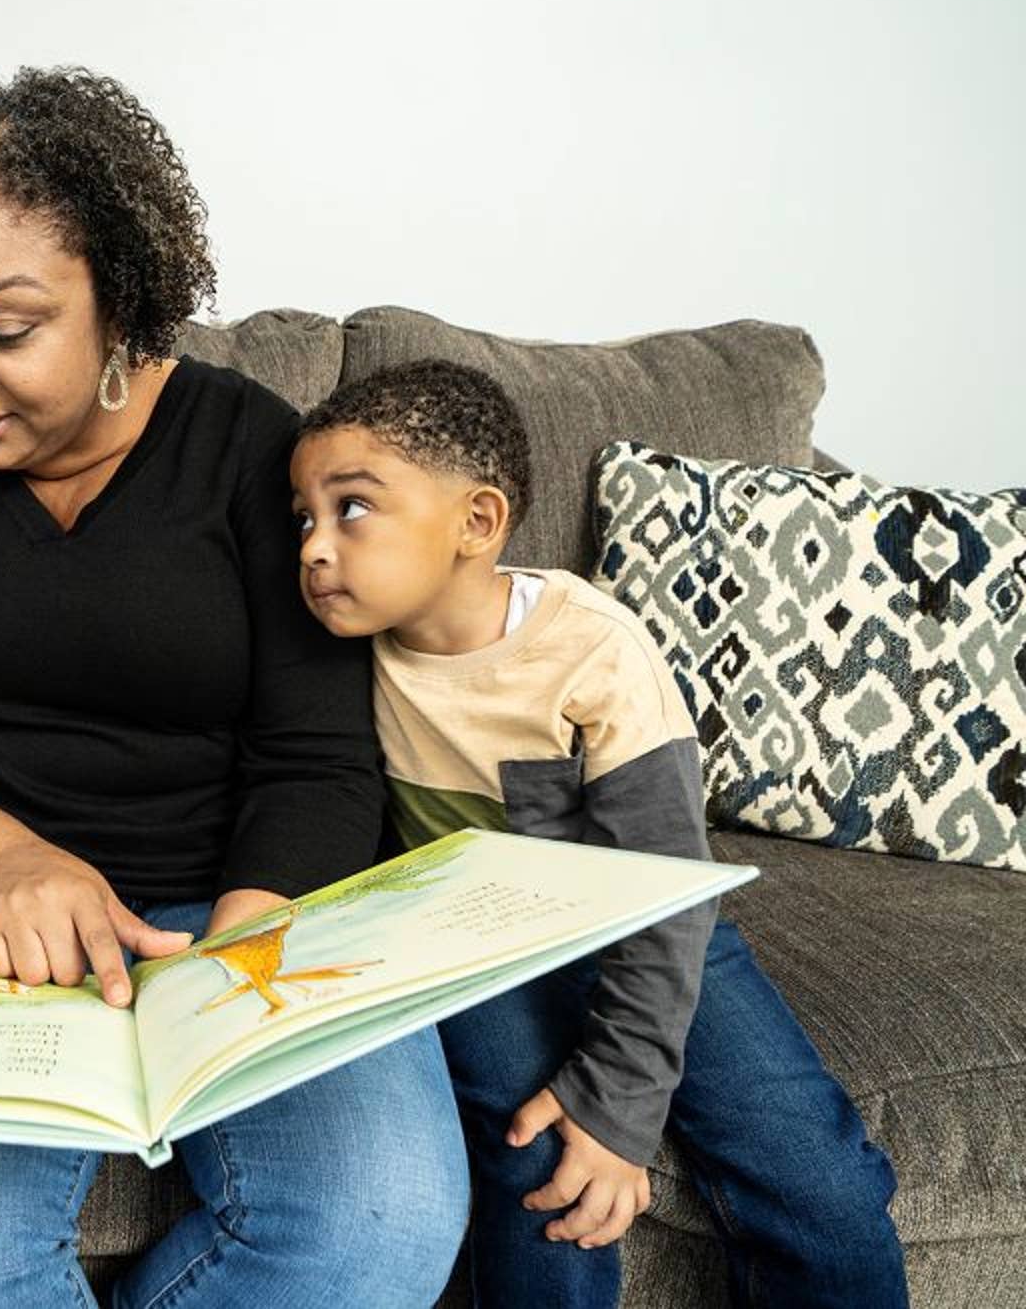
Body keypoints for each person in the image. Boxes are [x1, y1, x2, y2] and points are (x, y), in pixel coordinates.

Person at [0, 68, 469, 1308]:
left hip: (232, 896)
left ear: (124, 296)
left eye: (5, 328)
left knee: (378, 1224)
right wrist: (10, 860)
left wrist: (230, 972)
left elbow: (317, 759)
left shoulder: (256, 449)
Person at [289, 358, 907, 1307]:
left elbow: (664, 894)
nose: (315, 549)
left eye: (353, 509)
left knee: (823, 1183)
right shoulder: (335, 658)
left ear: (479, 523)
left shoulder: (592, 649)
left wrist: (620, 1107)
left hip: (641, 915)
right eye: (304, 518)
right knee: (533, 1160)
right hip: (473, 945)